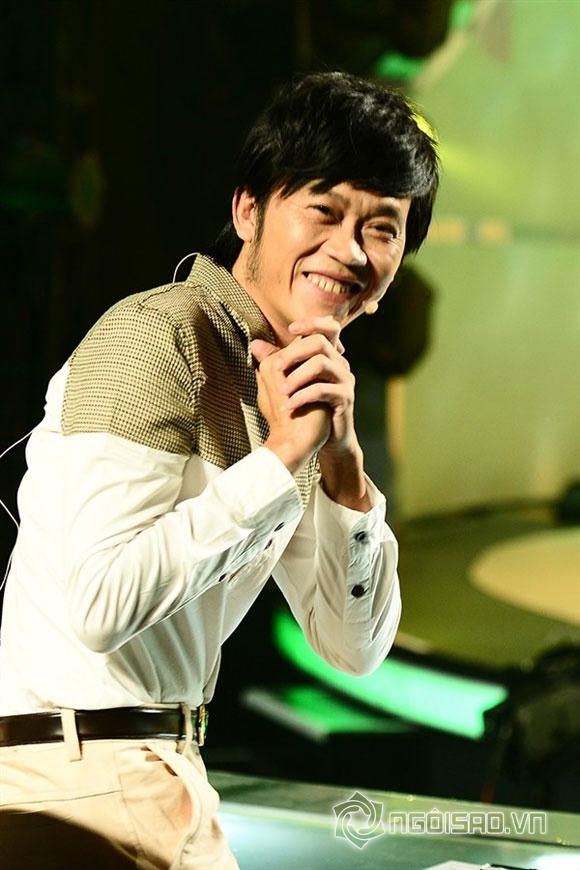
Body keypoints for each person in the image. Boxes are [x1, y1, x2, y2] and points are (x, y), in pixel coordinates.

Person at [0, 71, 439, 868]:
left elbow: (352, 650)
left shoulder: (288, 388)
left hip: (147, 772)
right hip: (83, 782)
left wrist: (341, 466)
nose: (350, 250)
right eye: (324, 210)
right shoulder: (154, 339)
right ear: (248, 211)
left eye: (382, 228)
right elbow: (101, 604)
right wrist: (279, 460)